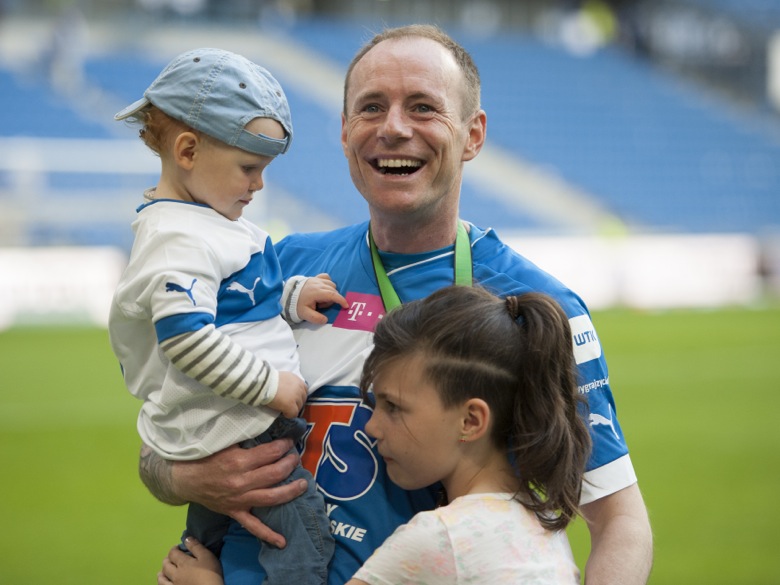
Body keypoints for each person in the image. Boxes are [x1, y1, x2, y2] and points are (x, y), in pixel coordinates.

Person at [140, 26, 653, 585]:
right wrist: (184, 480)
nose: (393, 129)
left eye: (424, 108)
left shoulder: (537, 306)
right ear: (343, 132)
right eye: (371, 108)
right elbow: (162, 440)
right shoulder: (275, 269)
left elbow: (618, 520)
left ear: (473, 135)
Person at [158, 285, 592, 585]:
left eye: (393, 407)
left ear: (471, 422)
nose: (370, 427)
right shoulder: (541, 527)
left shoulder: (437, 537)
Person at [108, 47, 343, 584]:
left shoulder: (205, 221)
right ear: (187, 150)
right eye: (248, 168)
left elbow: (236, 300)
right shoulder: (177, 238)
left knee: (208, 544)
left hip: (232, 431)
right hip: (241, 432)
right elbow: (187, 337)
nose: (258, 184)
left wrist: (290, 298)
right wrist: (270, 387)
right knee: (302, 546)